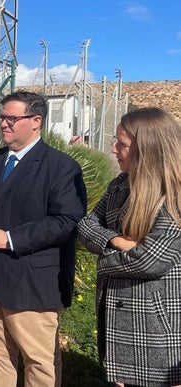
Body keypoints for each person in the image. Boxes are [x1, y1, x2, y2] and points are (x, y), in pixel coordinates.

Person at [0, 90, 87, 386]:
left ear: (36, 121)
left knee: (39, 362)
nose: (4, 124)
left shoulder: (61, 167)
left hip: (31, 283)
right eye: (2, 117)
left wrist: (10, 238)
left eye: (12, 118)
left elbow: (65, 221)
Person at [78, 107, 181, 387]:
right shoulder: (119, 185)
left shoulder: (175, 193)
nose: (114, 150)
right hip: (117, 317)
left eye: (121, 144)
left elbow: (150, 260)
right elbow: (85, 226)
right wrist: (117, 241)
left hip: (156, 327)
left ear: (147, 148)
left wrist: (103, 259)